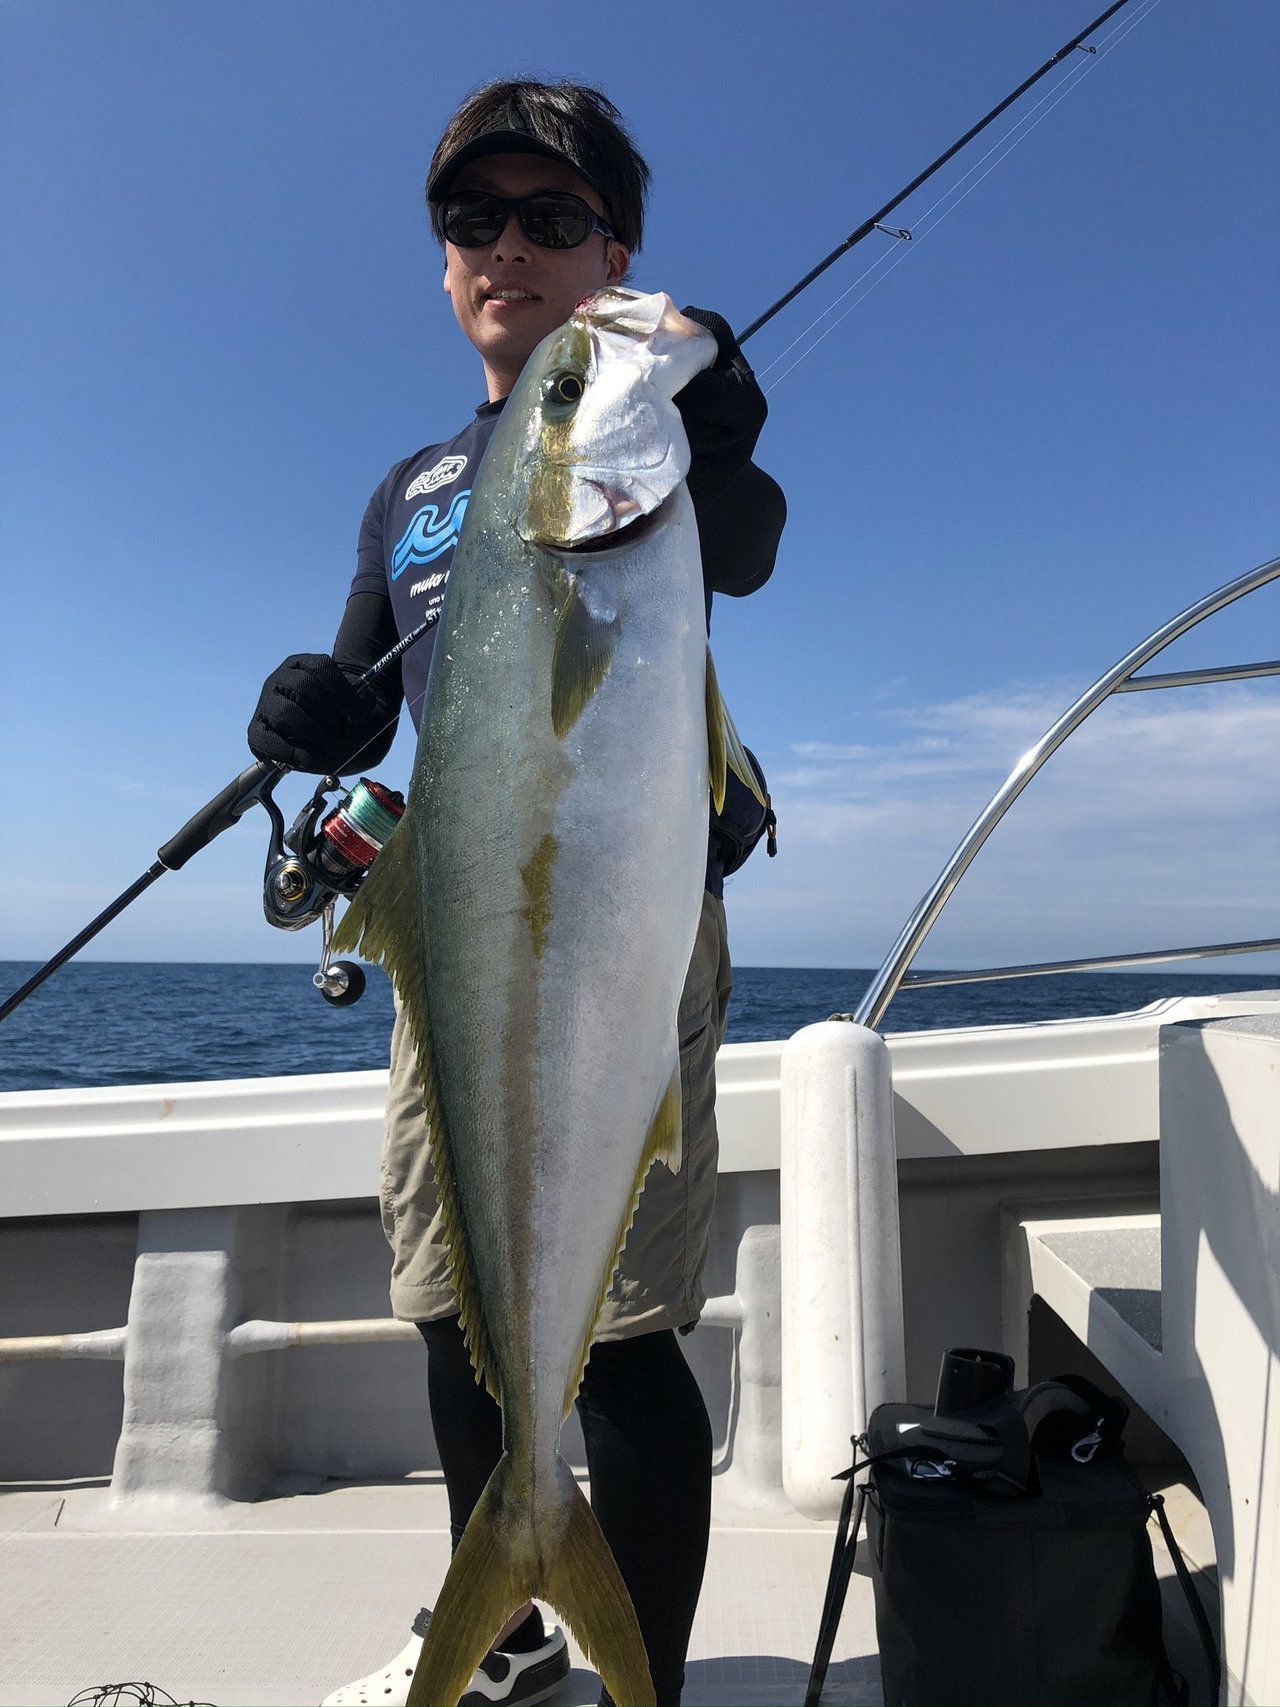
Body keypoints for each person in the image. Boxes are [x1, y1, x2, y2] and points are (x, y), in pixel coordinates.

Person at [247, 79, 785, 1707]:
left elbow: (745, 544)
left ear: (614, 252)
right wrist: (309, 713)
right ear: (444, 265)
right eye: (473, 221)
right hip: (458, 946)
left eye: (554, 217)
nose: (509, 247)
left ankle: (651, 1682)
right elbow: (366, 681)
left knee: (617, 1332)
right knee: (448, 1300)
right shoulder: (411, 486)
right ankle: (515, 1609)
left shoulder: (642, 436)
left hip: (622, 929)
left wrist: (715, 420)